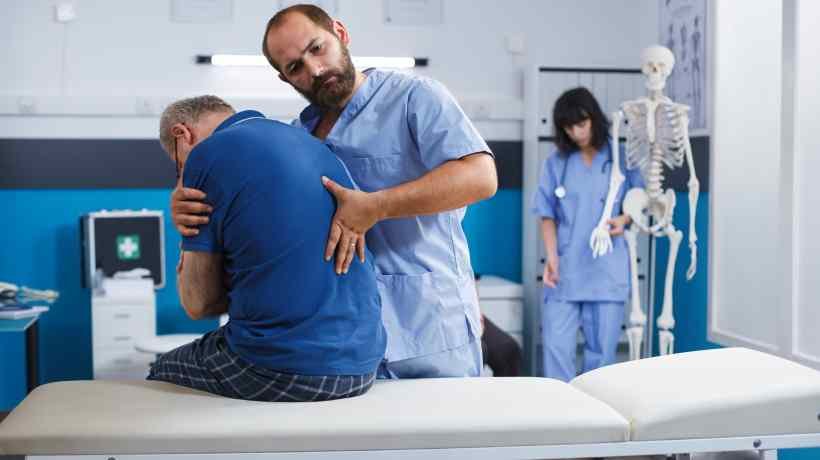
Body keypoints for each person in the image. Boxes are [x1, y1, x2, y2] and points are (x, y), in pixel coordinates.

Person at [171, 5, 497, 378]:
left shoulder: (414, 97)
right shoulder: (299, 138)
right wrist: (190, 207)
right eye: (295, 67)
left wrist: (376, 206)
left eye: (317, 48)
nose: (314, 69)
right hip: (347, 346)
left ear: (340, 33)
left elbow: (480, 177)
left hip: (431, 331)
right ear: (285, 78)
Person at [149, 95, 386, 401]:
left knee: (161, 369)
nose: (182, 172)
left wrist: (185, 228)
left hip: (281, 370)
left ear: (181, 135)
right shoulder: (315, 145)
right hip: (364, 364)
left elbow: (199, 305)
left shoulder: (206, 154)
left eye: (178, 163)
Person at [531, 87, 644, 382]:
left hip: (606, 269)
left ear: (594, 118)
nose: (576, 133)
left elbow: (641, 200)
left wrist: (624, 219)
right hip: (565, 269)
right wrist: (551, 257)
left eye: (581, 124)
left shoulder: (621, 158)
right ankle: (560, 409)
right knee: (556, 350)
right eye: (568, 128)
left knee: (601, 363)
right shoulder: (556, 163)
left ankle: (594, 411)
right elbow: (546, 213)